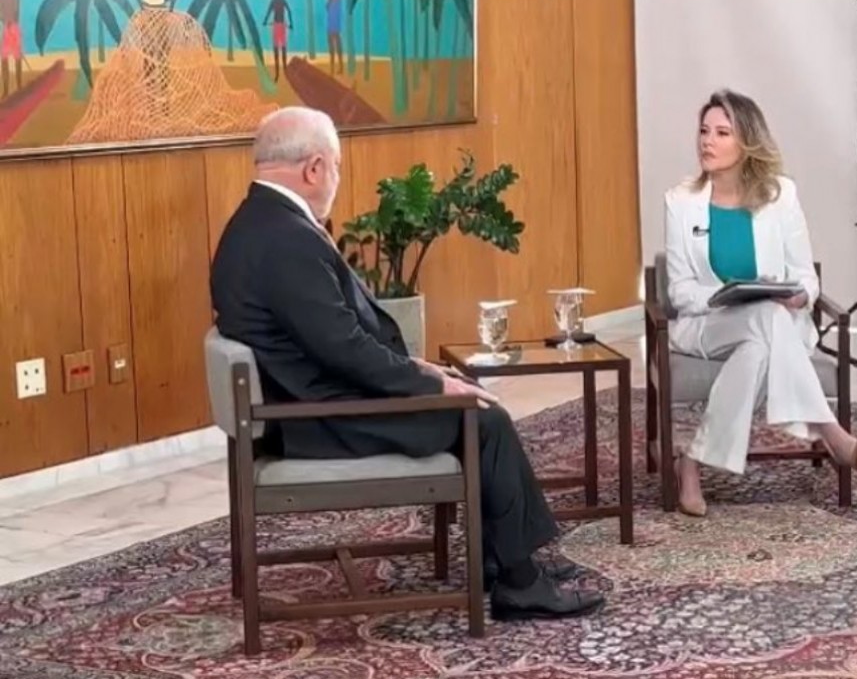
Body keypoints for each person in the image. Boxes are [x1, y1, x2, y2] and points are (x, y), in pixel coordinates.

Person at [210, 106, 604, 621]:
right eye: (337, 167)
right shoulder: (284, 239)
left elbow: (328, 340)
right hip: (322, 417)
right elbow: (343, 348)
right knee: (485, 420)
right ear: (314, 168)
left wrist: (423, 371)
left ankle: (500, 557)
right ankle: (520, 582)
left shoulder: (257, 222)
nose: (336, 179)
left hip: (311, 398)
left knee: (469, 397)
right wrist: (427, 382)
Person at [663, 89, 857, 517]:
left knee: (759, 340)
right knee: (763, 318)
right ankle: (830, 431)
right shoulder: (680, 201)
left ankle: (691, 462)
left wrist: (801, 295)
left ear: (747, 141)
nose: (707, 141)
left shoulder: (781, 195)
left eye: (722, 133)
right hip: (708, 325)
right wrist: (722, 297)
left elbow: (805, 276)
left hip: (770, 326)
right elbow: (679, 290)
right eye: (704, 131)